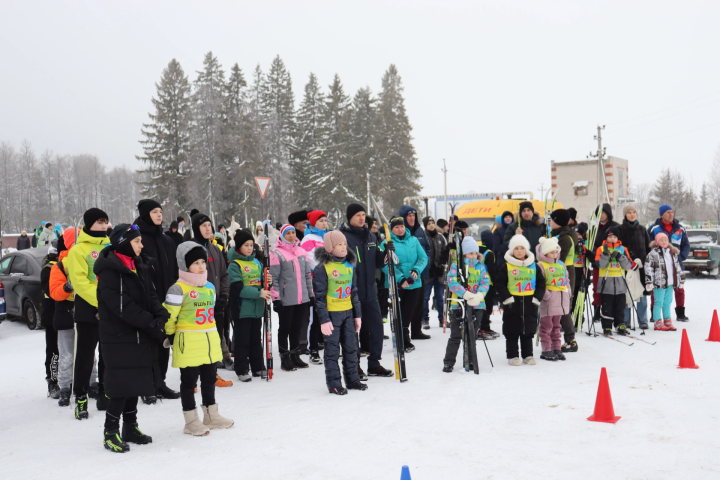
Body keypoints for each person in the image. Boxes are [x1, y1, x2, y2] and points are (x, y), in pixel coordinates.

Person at [94, 224, 168, 453]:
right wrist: (150, 322)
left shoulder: (138, 264)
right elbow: (122, 307)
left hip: (138, 333)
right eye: (137, 241)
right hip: (119, 335)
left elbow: (150, 294)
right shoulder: (110, 270)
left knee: (135, 381)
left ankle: (130, 427)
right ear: (124, 243)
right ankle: (110, 431)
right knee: (121, 385)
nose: (141, 245)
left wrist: (160, 312)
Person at [164, 242, 234, 436]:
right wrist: (170, 335)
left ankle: (211, 415)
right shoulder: (178, 289)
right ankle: (191, 421)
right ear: (185, 265)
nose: (201, 266)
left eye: (203, 261)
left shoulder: (210, 286)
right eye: (196, 262)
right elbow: (169, 316)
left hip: (209, 342)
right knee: (189, 382)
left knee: (209, 378)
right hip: (189, 343)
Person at [133, 199, 180, 402]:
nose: (159, 215)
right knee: (147, 344)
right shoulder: (138, 238)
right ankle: (147, 386)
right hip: (147, 299)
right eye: (154, 211)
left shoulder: (166, 239)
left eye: (160, 211)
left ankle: (160, 383)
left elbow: (174, 270)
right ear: (145, 214)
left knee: (164, 342)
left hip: (167, 299)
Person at [66, 208, 111, 419]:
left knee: (107, 354)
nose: (103, 226)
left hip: (110, 308)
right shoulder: (78, 250)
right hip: (89, 309)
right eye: (99, 222)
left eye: (105, 222)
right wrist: (101, 301)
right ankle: (81, 397)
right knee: (85, 355)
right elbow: (80, 281)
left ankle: (104, 392)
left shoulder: (111, 246)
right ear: (89, 224)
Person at [340, 203, 393, 378]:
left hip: (371, 292)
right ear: (350, 218)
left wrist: (386, 252)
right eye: (358, 215)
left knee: (377, 328)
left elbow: (378, 261)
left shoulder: (371, 236)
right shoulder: (342, 237)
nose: (362, 218)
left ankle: (374, 363)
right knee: (353, 332)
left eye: (363, 214)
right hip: (351, 294)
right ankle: (354, 366)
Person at [313, 230, 368, 395]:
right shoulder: (323, 268)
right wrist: (324, 320)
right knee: (332, 351)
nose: (344, 247)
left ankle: (353, 380)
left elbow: (354, 292)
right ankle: (334, 384)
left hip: (348, 313)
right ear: (330, 247)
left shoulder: (350, 265)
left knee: (352, 348)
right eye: (339, 244)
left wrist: (357, 315)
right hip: (332, 315)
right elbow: (320, 297)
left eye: (344, 244)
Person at [50, 228, 95, 407]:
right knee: (67, 353)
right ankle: (65, 387)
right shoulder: (60, 265)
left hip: (87, 310)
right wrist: (68, 287)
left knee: (89, 351)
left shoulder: (89, 257)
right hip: (67, 313)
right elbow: (54, 292)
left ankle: (91, 382)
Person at [190, 213, 233, 385]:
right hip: (198, 303)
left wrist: (223, 295)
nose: (208, 229)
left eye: (209, 225)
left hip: (216, 303)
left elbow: (223, 275)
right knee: (199, 340)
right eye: (204, 226)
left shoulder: (215, 248)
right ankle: (192, 378)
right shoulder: (191, 248)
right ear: (196, 229)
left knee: (215, 337)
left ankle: (211, 373)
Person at [269, 224, 314, 372]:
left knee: (297, 327)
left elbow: (307, 275)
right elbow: (274, 278)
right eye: (287, 233)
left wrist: (311, 293)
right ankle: (284, 356)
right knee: (285, 328)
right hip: (286, 298)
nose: (291, 236)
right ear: (281, 236)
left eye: (293, 233)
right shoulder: (277, 254)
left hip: (302, 298)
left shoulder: (301, 252)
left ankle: (295, 355)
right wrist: (276, 298)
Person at [496, 235, 546, 366]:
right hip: (512, 302)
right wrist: (507, 298)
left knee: (528, 329)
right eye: (516, 248)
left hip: (530, 302)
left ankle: (528, 354)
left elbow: (541, 284)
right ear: (512, 250)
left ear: (526, 250)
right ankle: (512, 355)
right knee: (512, 329)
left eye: (522, 248)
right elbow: (500, 284)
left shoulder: (534, 266)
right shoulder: (506, 266)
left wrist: (537, 298)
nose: (519, 251)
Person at [228, 229, 271, 381]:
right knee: (242, 340)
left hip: (257, 308)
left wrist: (267, 282)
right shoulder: (234, 265)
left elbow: (261, 282)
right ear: (239, 247)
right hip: (242, 309)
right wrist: (258, 293)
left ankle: (258, 367)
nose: (249, 248)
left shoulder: (257, 262)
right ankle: (242, 369)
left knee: (255, 339)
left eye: (251, 245)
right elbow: (237, 288)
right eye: (246, 245)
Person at [442, 236, 490, 372]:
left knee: (472, 335)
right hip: (459, 305)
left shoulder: (481, 267)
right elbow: (452, 281)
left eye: (475, 253)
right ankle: (449, 362)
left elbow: (485, 282)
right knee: (456, 335)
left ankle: (470, 360)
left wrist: (479, 295)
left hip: (477, 305)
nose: (474, 256)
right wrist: (465, 294)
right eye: (471, 253)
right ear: (463, 253)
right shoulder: (456, 266)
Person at [382, 216, 429, 352]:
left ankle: (405, 337)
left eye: (402, 226)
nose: (400, 229)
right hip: (396, 284)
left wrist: (417, 269)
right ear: (392, 229)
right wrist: (400, 278)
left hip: (413, 283)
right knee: (398, 312)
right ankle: (399, 338)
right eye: (396, 227)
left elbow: (423, 257)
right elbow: (385, 264)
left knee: (408, 311)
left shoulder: (413, 240)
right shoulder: (387, 242)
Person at [647, 204, 690, 321]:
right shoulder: (653, 228)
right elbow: (648, 246)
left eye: (672, 212)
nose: (671, 214)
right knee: (657, 289)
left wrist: (680, 257)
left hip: (676, 264)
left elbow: (686, 245)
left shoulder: (680, 228)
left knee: (679, 288)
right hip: (659, 266)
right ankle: (654, 314)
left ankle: (680, 313)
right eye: (668, 212)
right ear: (662, 215)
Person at [594, 226, 638, 336]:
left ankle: (620, 325)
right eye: (610, 237)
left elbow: (628, 265)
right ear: (606, 237)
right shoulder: (601, 249)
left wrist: (620, 256)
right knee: (607, 307)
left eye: (614, 237)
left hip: (620, 283)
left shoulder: (623, 249)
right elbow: (600, 265)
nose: (612, 239)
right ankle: (607, 326)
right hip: (606, 283)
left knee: (620, 306)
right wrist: (605, 255)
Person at [548, 209, 580, 353]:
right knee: (557, 305)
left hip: (564, 273)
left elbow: (559, 260)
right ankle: (556, 337)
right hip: (561, 272)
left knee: (562, 305)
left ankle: (570, 339)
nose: (550, 222)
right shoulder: (560, 235)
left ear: (558, 222)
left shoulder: (564, 237)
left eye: (552, 220)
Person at [300, 210, 329, 365]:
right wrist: (327, 268)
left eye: (325, 220)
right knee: (316, 317)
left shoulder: (327, 236)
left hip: (331, 281)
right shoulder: (308, 238)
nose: (324, 223)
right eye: (321, 221)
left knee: (329, 315)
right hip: (315, 282)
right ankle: (313, 350)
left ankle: (329, 347)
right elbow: (311, 260)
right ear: (313, 223)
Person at [535, 237, 571, 361]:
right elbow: (539, 282)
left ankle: (556, 348)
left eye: (556, 252)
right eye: (552, 252)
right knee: (546, 326)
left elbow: (566, 279)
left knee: (557, 325)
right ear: (545, 253)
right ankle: (546, 349)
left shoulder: (561, 264)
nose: (555, 254)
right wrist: (546, 295)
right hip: (549, 301)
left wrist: (568, 291)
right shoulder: (541, 265)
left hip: (560, 299)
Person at [618, 204, 651, 329]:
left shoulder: (642, 229)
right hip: (627, 267)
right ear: (625, 215)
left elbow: (648, 248)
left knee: (641, 294)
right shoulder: (620, 229)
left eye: (634, 212)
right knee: (627, 294)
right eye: (629, 212)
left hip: (641, 268)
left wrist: (646, 262)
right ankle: (626, 320)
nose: (632, 214)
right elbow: (619, 248)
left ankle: (643, 320)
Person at [646, 232, 684, 331]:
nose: (664, 242)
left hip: (670, 283)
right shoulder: (653, 254)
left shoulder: (672, 253)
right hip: (659, 283)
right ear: (657, 242)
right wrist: (649, 281)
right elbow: (648, 268)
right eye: (661, 240)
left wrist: (681, 280)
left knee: (667, 303)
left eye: (665, 240)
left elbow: (677, 267)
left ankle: (667, 321)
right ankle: (657, 322)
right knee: (658, 302)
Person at [590, 204, 620, 321]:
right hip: (598, 262)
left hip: (613, 263)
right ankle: (597, 311)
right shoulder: (593, 227)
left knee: (612, 288)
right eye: (599, 213)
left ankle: (610, 311)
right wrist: (595, 256)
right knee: (598, 287)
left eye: (603, 212)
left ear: (608, 213)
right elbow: (591, 244)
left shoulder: (616, 226)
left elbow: (621, 243)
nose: (601, 215)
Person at [40, 245, 60, 399]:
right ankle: (52, 381)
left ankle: (69, 379)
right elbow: (51, 291)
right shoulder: (48, 269)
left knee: (68, 350)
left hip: (67, 314)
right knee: (53, 350)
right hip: (52, 316)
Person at [422, 216, 447, 329]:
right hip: (428, 273)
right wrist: (428, 267)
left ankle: (442, 319)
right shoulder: (422, 237)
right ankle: (424, 319)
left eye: (432, 223)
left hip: (439, 273)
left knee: (440, 298)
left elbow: (445, 253)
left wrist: (442, 266)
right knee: (425, 297)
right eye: (429, 224)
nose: (431, 225)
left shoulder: (440, 237)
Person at [399, 205, 431, 283]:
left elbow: (428, 248)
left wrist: (426, 263)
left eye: (413, 215)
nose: (412, 218)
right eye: (409, 216)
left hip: (421, 272)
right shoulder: (400, 232)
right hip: (406, 275)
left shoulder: (420, 231)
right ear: (404, 217)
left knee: (422, 295)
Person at [477, 230, 500, 339]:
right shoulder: (489, 253)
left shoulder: (476, 250)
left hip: (476, 283)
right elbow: (492, 269)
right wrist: (496, 283)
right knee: (488, 306)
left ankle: (482, 327)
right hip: (488, 283)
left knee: (480, 306)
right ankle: (484, 328)